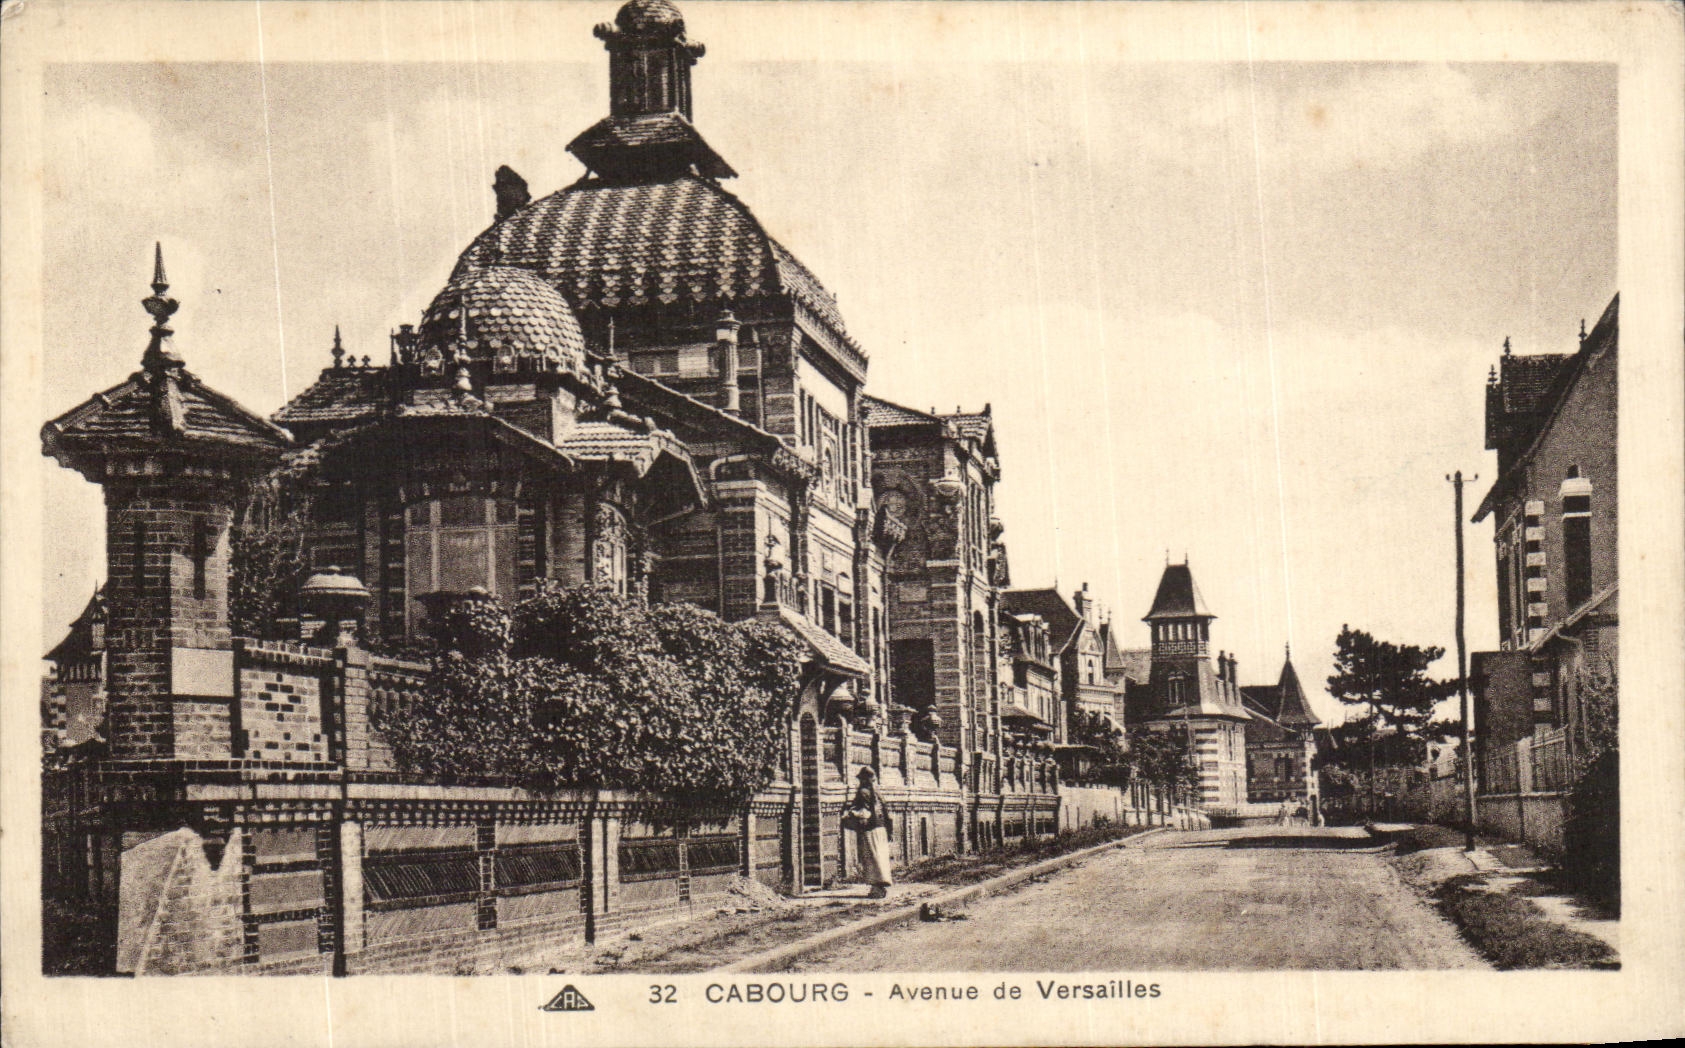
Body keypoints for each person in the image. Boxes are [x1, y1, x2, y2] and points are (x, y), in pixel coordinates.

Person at [848, 768, 894, 899]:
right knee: (880, 858)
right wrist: (890, 831)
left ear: (863, 780)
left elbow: (864, 812)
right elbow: (887, 814)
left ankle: (876, 888)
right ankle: (880, 886)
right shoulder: (878, 794)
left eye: (861, 779)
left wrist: (851, 813)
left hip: (869, 830)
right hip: (881, 830)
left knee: (872, 859)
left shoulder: (863, 793)